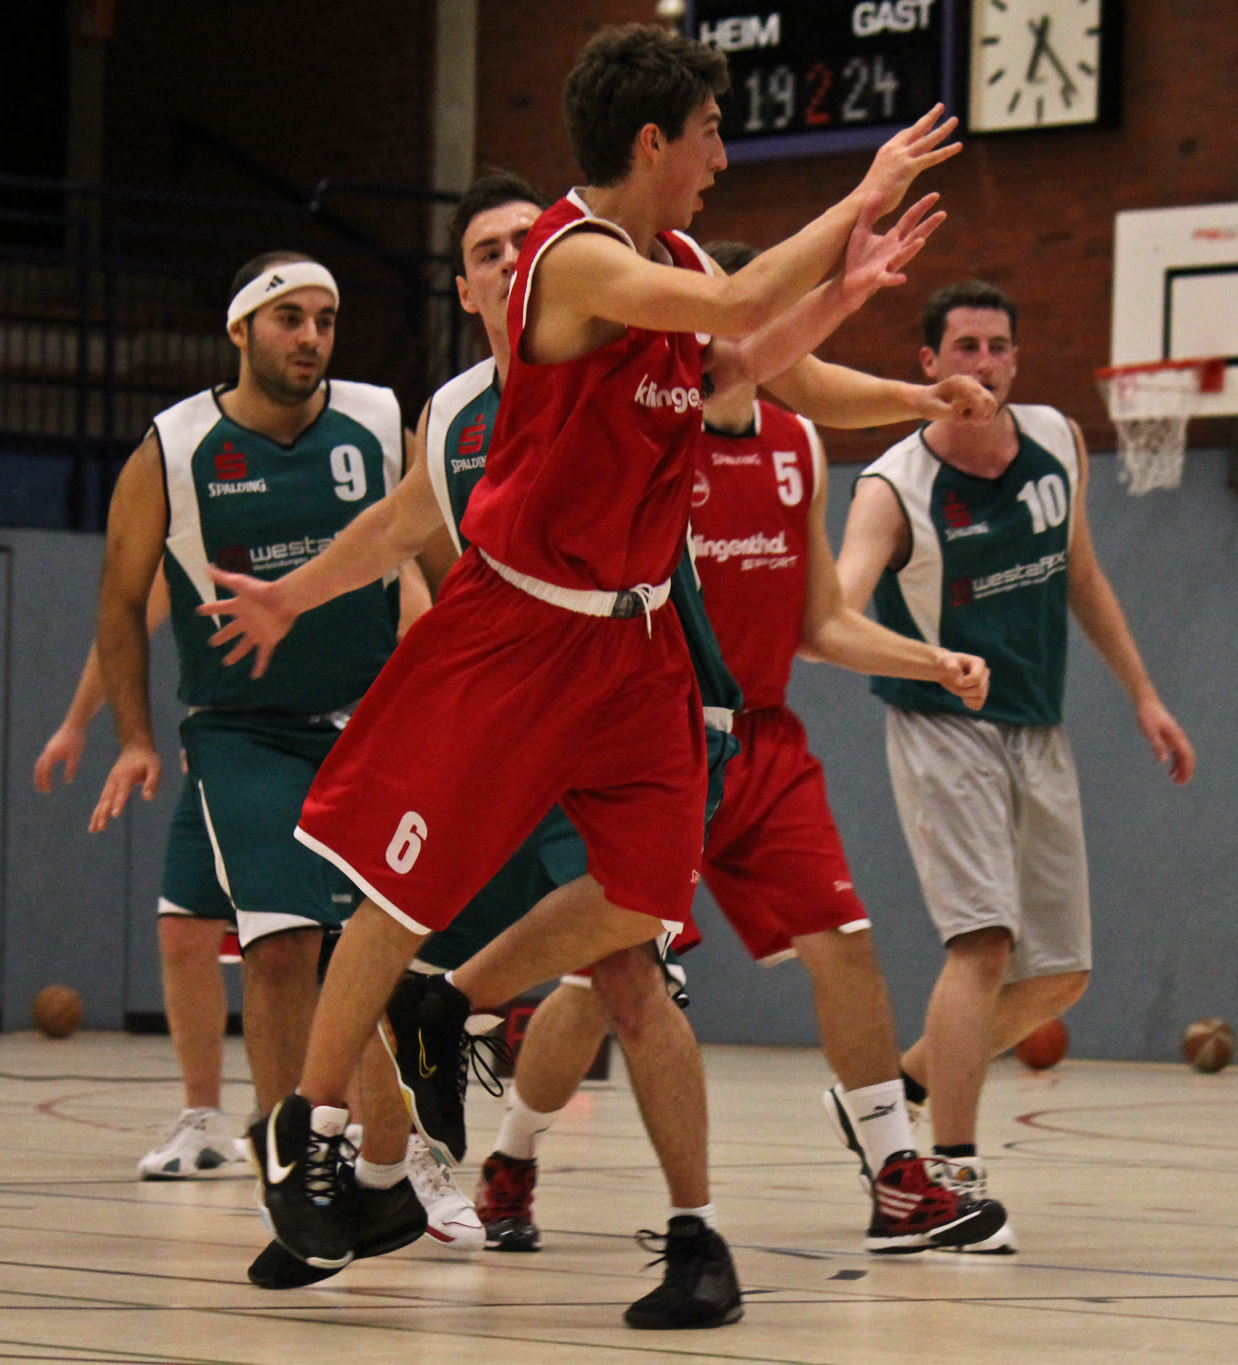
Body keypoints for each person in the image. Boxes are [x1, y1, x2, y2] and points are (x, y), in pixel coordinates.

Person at [207, 27, 972, 1326]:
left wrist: (875, 328)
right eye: (712, 135)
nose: (723, 159)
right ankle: (308, 1126)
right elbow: (733, 311)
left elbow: (748, 364)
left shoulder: (672, 262)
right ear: (653, 140)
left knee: (638, 913)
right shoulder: (572, 262)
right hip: (516, 627)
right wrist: (862, 193)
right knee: (399, 882)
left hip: (633, 645)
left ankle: (549, 1104)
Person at [452, 233, 1008, 1256]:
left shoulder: (797, 446)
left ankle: (895, 1177)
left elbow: (818, 622)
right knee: (607, 982)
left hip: (763, 742)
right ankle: (512, 1157)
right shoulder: (652, 437)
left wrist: (929, 660)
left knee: (844, 940)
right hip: (656, 739)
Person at [89, 248, 443, 1269]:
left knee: (383, 955)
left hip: (373, 724)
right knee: (282, 945)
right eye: (290, 318)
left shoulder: (379, 421)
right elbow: (120, 598)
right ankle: (296, 1167)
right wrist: (135, 736)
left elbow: (447, 557)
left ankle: (389, 1163)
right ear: (240, 329)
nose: (311, 338)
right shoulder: (174, 447)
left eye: (326, 319)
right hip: (243, 729)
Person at [836, 279, 1197, 1252]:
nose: (983, 364)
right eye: (964, 347)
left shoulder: (1057, 442)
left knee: (1060, 975)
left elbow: (1082, 574)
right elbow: (834, 613)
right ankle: (948, 1175)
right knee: (983, 944)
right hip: (941, 723)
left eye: (997, 347)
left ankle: (898, 1088)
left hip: (1038, 726)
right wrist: (926, 662)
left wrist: (1143, 694)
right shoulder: (892, 488)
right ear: (928, 366)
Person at [36, 578, 247, 1179]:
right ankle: (204, 1121)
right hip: (217, 749)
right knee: (182, 930)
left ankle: (325, 1120)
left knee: (301, 948)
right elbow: (124, 624)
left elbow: (412, 613)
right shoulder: (181, 538)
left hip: (317, 742)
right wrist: (75, 722)